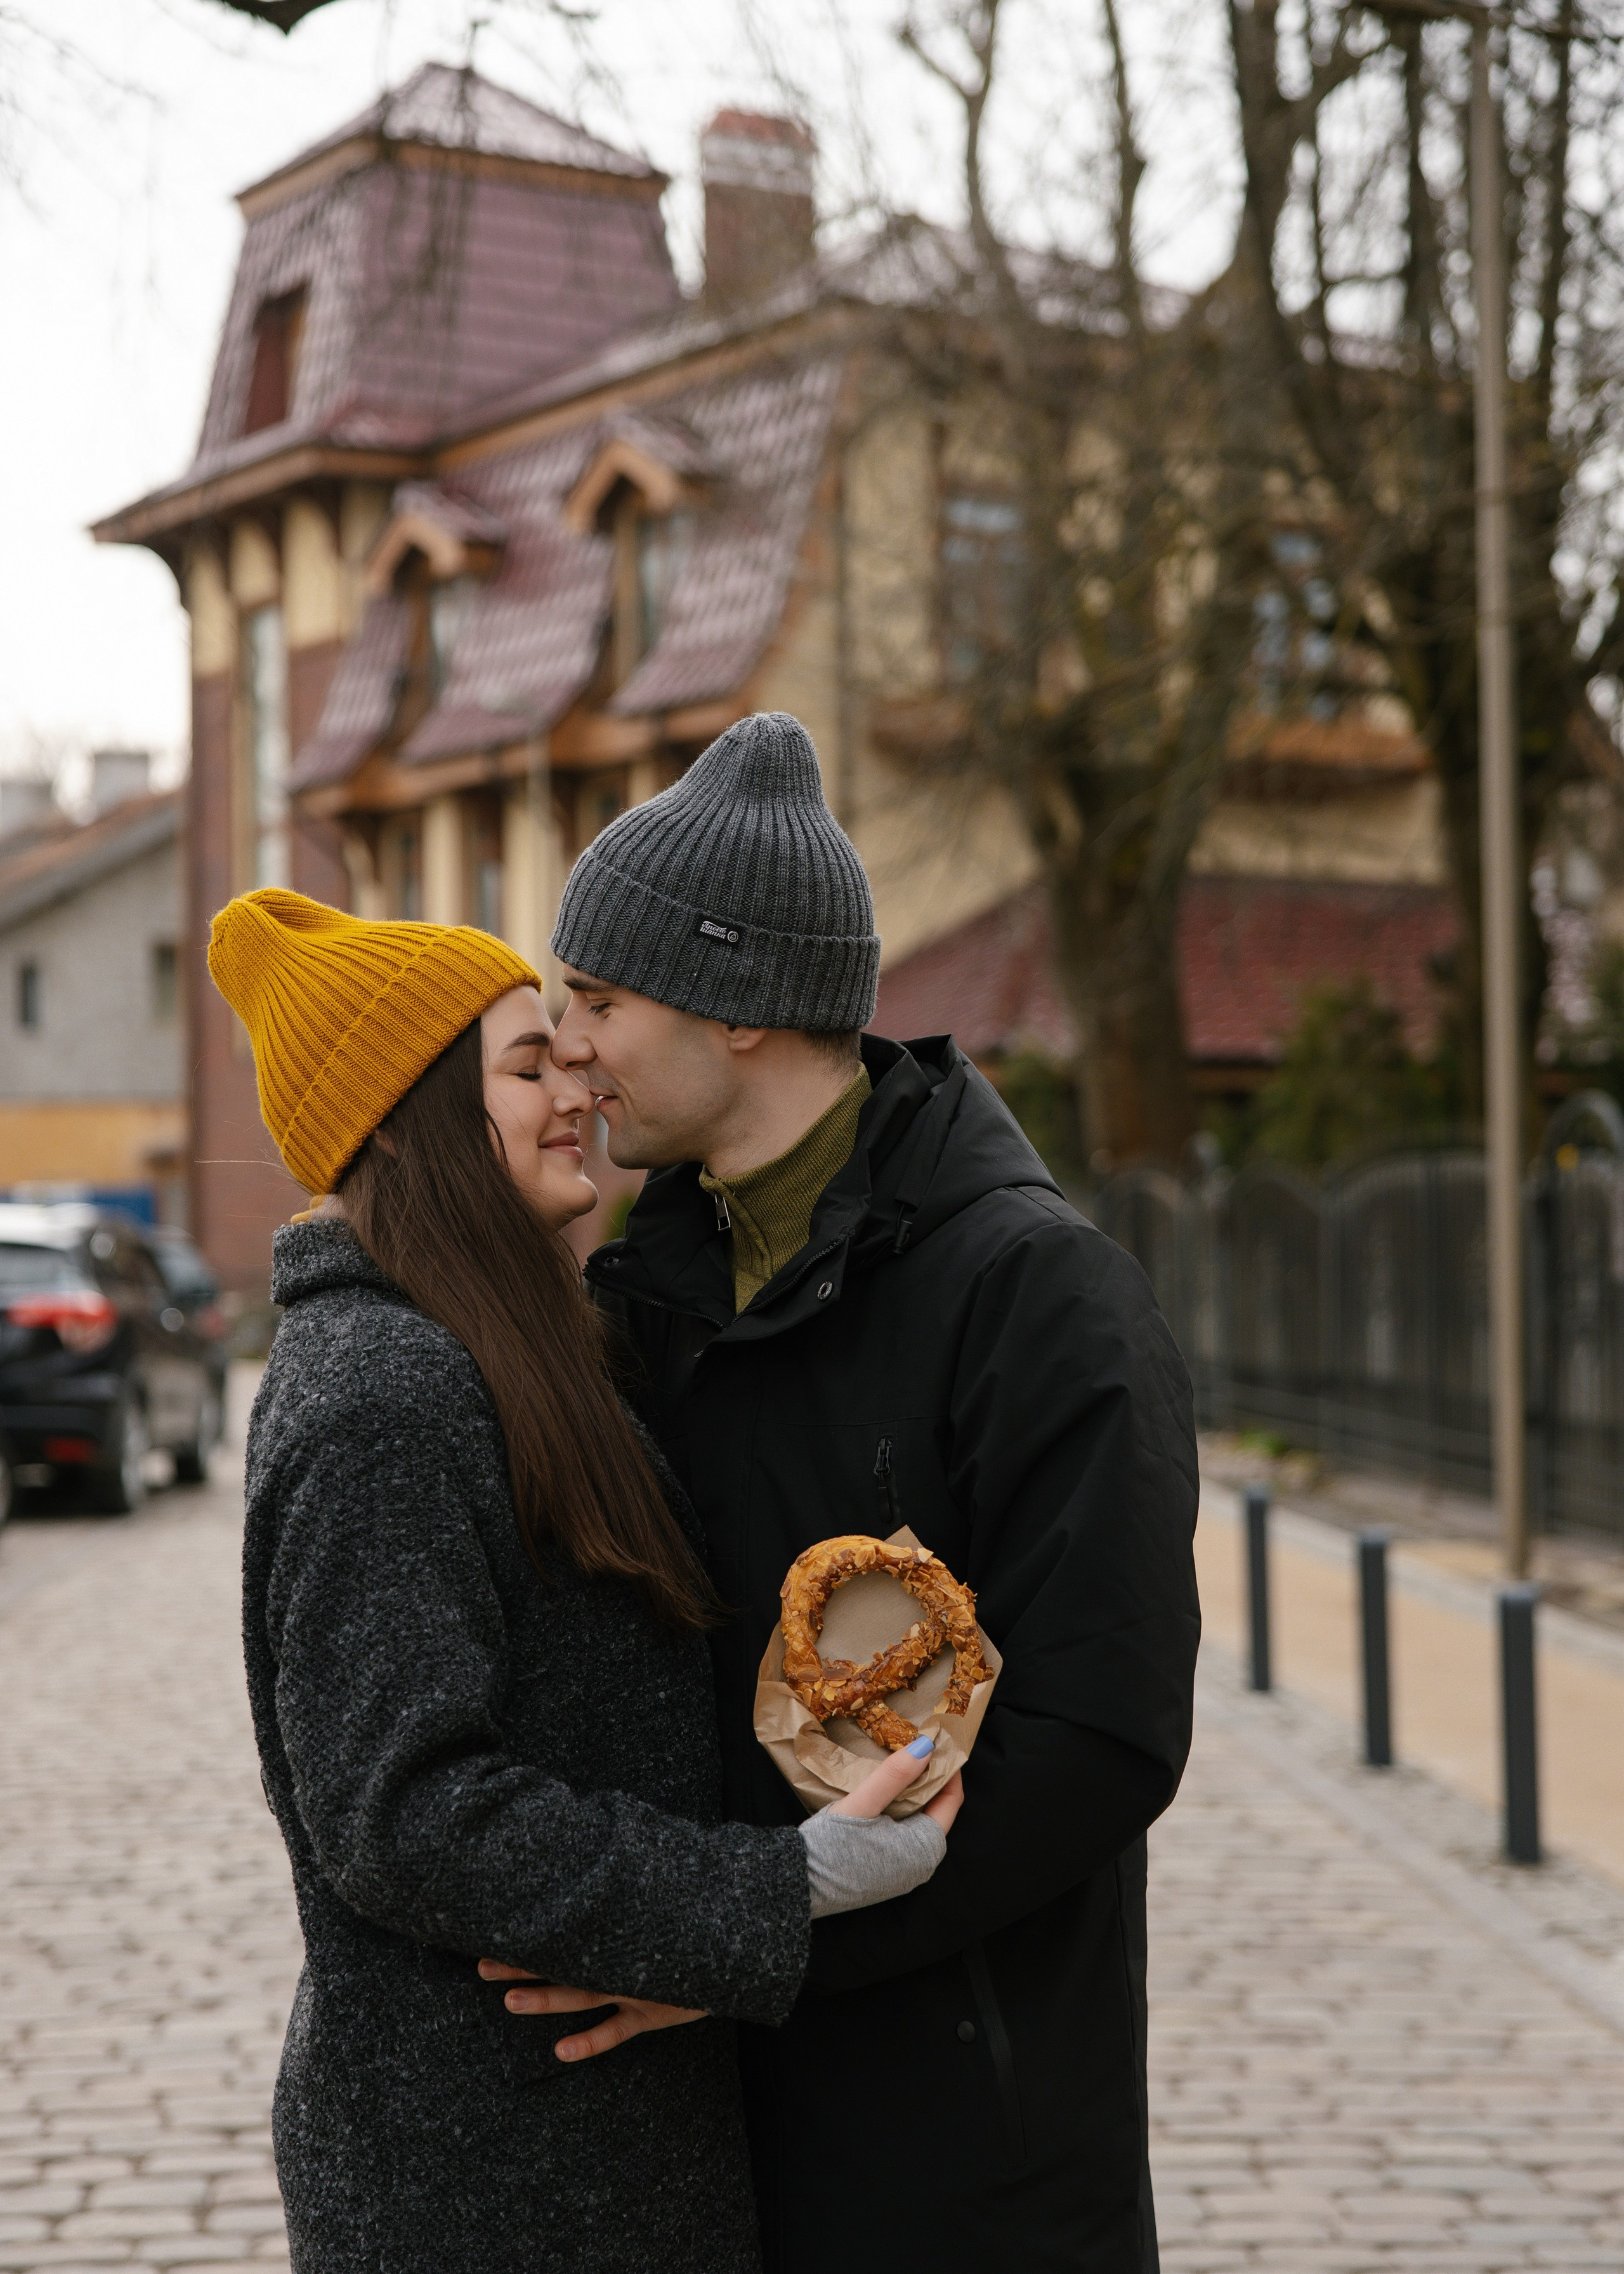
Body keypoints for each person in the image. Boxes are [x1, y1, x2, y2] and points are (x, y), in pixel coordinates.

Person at [206, 887, 960, 2274]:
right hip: (487, 2173)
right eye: (526, 1064)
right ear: (418, 1118)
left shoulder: (497, 1350)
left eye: (567, 1050)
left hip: (572, 2142)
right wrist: (774, 1889)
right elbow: (403, 1807)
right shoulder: (382, 1393)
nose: (578, 1089)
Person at [542, 711, 1202, 2274]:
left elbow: (1102, 1739)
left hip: (970, 2154)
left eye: (601, 998)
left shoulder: (1041, 1297)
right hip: (695, 2135)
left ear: (742, 1007)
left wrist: (767, 1937)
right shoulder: (640, 1287)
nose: (573, 1045)